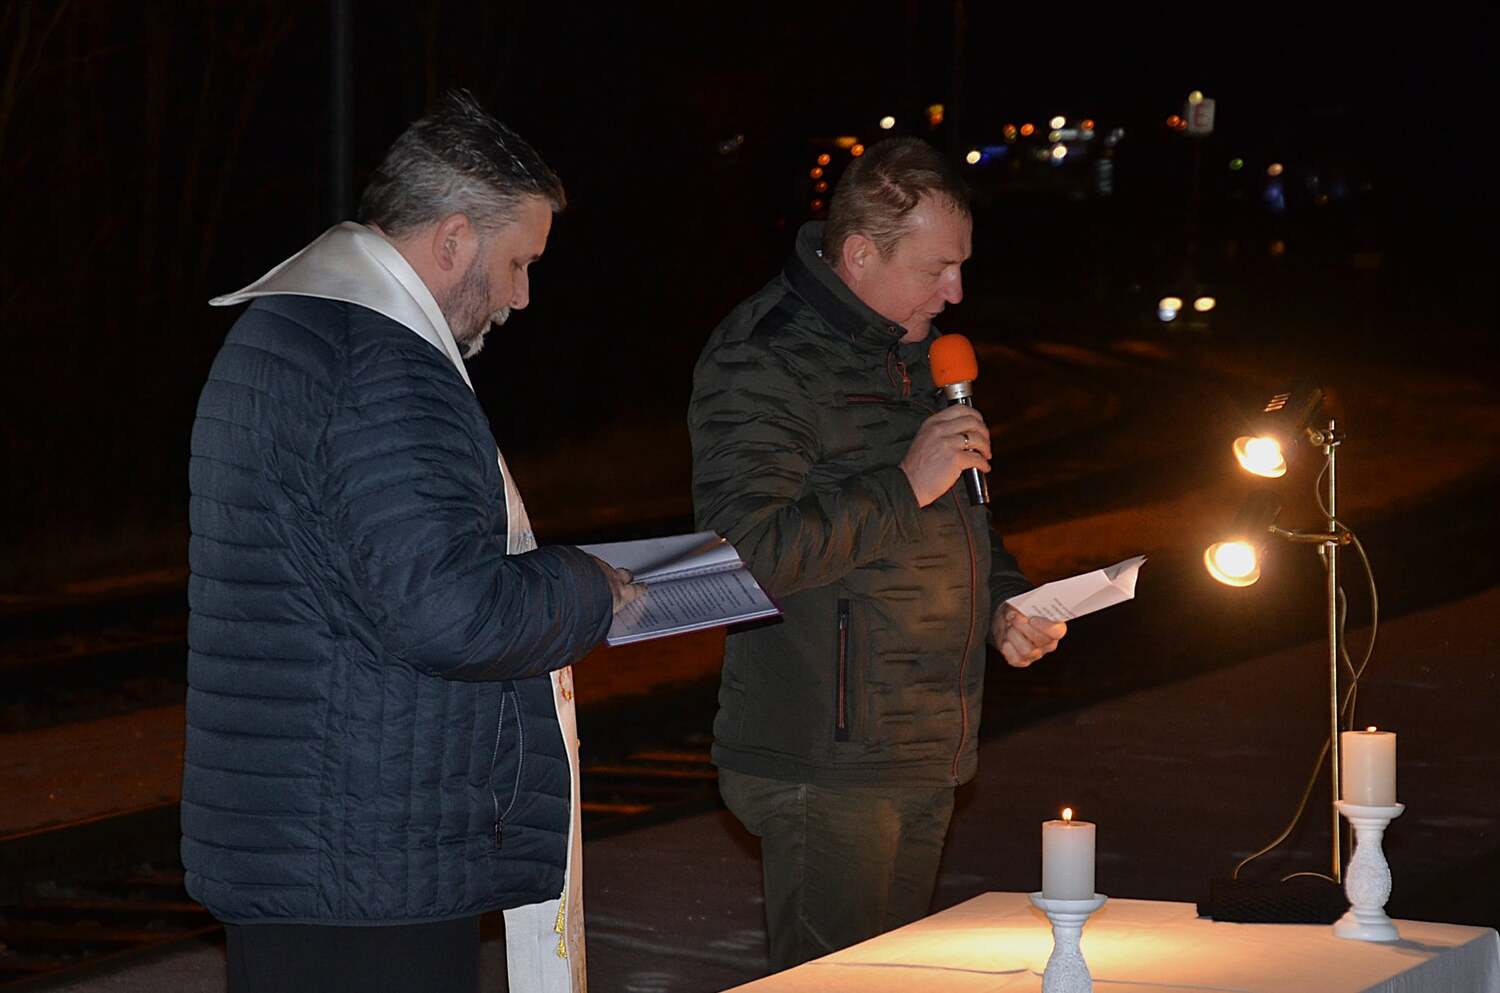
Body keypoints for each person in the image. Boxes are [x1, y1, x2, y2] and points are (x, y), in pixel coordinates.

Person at [183, 90, 636, 993]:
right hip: (371, 859)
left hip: (300, 834)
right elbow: (448, 610)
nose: (522, 295)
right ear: (455, 238)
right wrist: (588, 586)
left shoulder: (284, 327)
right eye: (517, 262)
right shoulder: (383, 365)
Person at [687, 136, 1068, 970]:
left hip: (927, 744)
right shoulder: (765, 355)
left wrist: (1006, 601)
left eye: (961, 266)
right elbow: (744, 557)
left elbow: (963, 518)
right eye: (937, 268)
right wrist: (904, 483)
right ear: (860, 254)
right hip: (825, 760)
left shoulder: (923, 354)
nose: (955, 291)